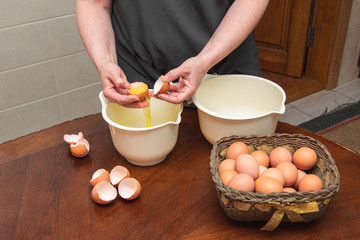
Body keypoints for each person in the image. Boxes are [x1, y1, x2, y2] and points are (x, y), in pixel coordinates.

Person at [76, 0, 269, 108]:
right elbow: (94, 4)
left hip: (225, 64)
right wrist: (105, 62)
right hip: (139, 71)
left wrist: (206, 58)